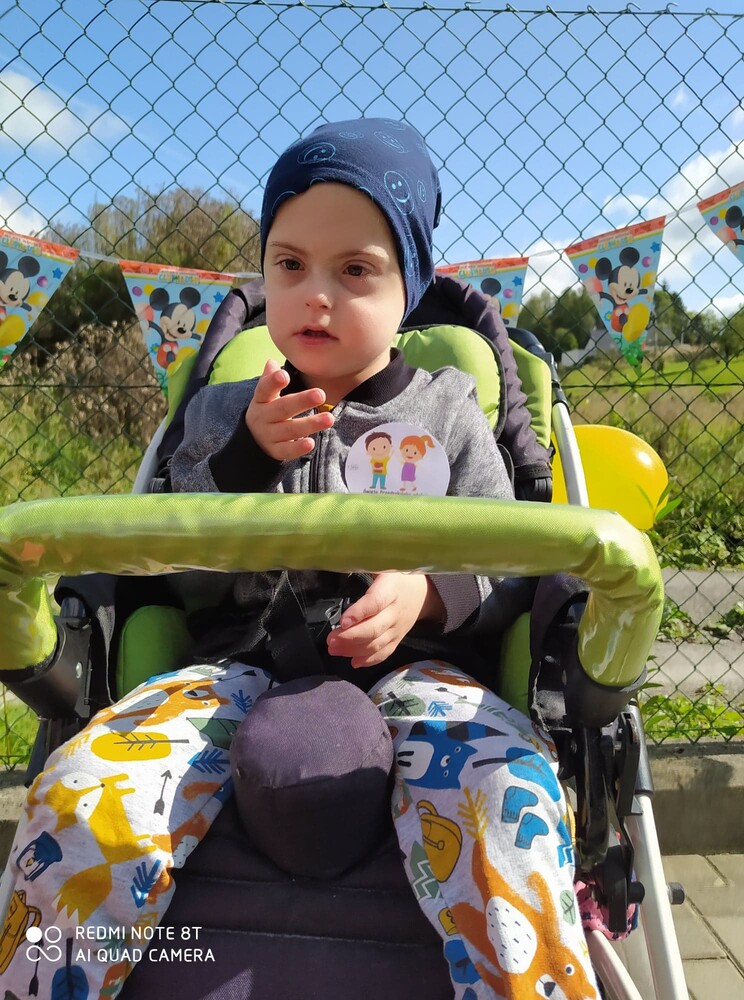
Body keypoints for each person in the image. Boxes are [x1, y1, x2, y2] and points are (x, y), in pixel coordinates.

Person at [0, 118, 599, 1000]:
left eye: (355, 270)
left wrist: (429, 594)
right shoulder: (222, 412)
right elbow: (159, 563)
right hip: (235, 665)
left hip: (418, 671)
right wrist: (242, 460)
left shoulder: (450, 409)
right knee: (80, 794)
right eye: (289, 264)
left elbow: (513, 558)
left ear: (410, 289)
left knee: (511, 807)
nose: (315, 296)